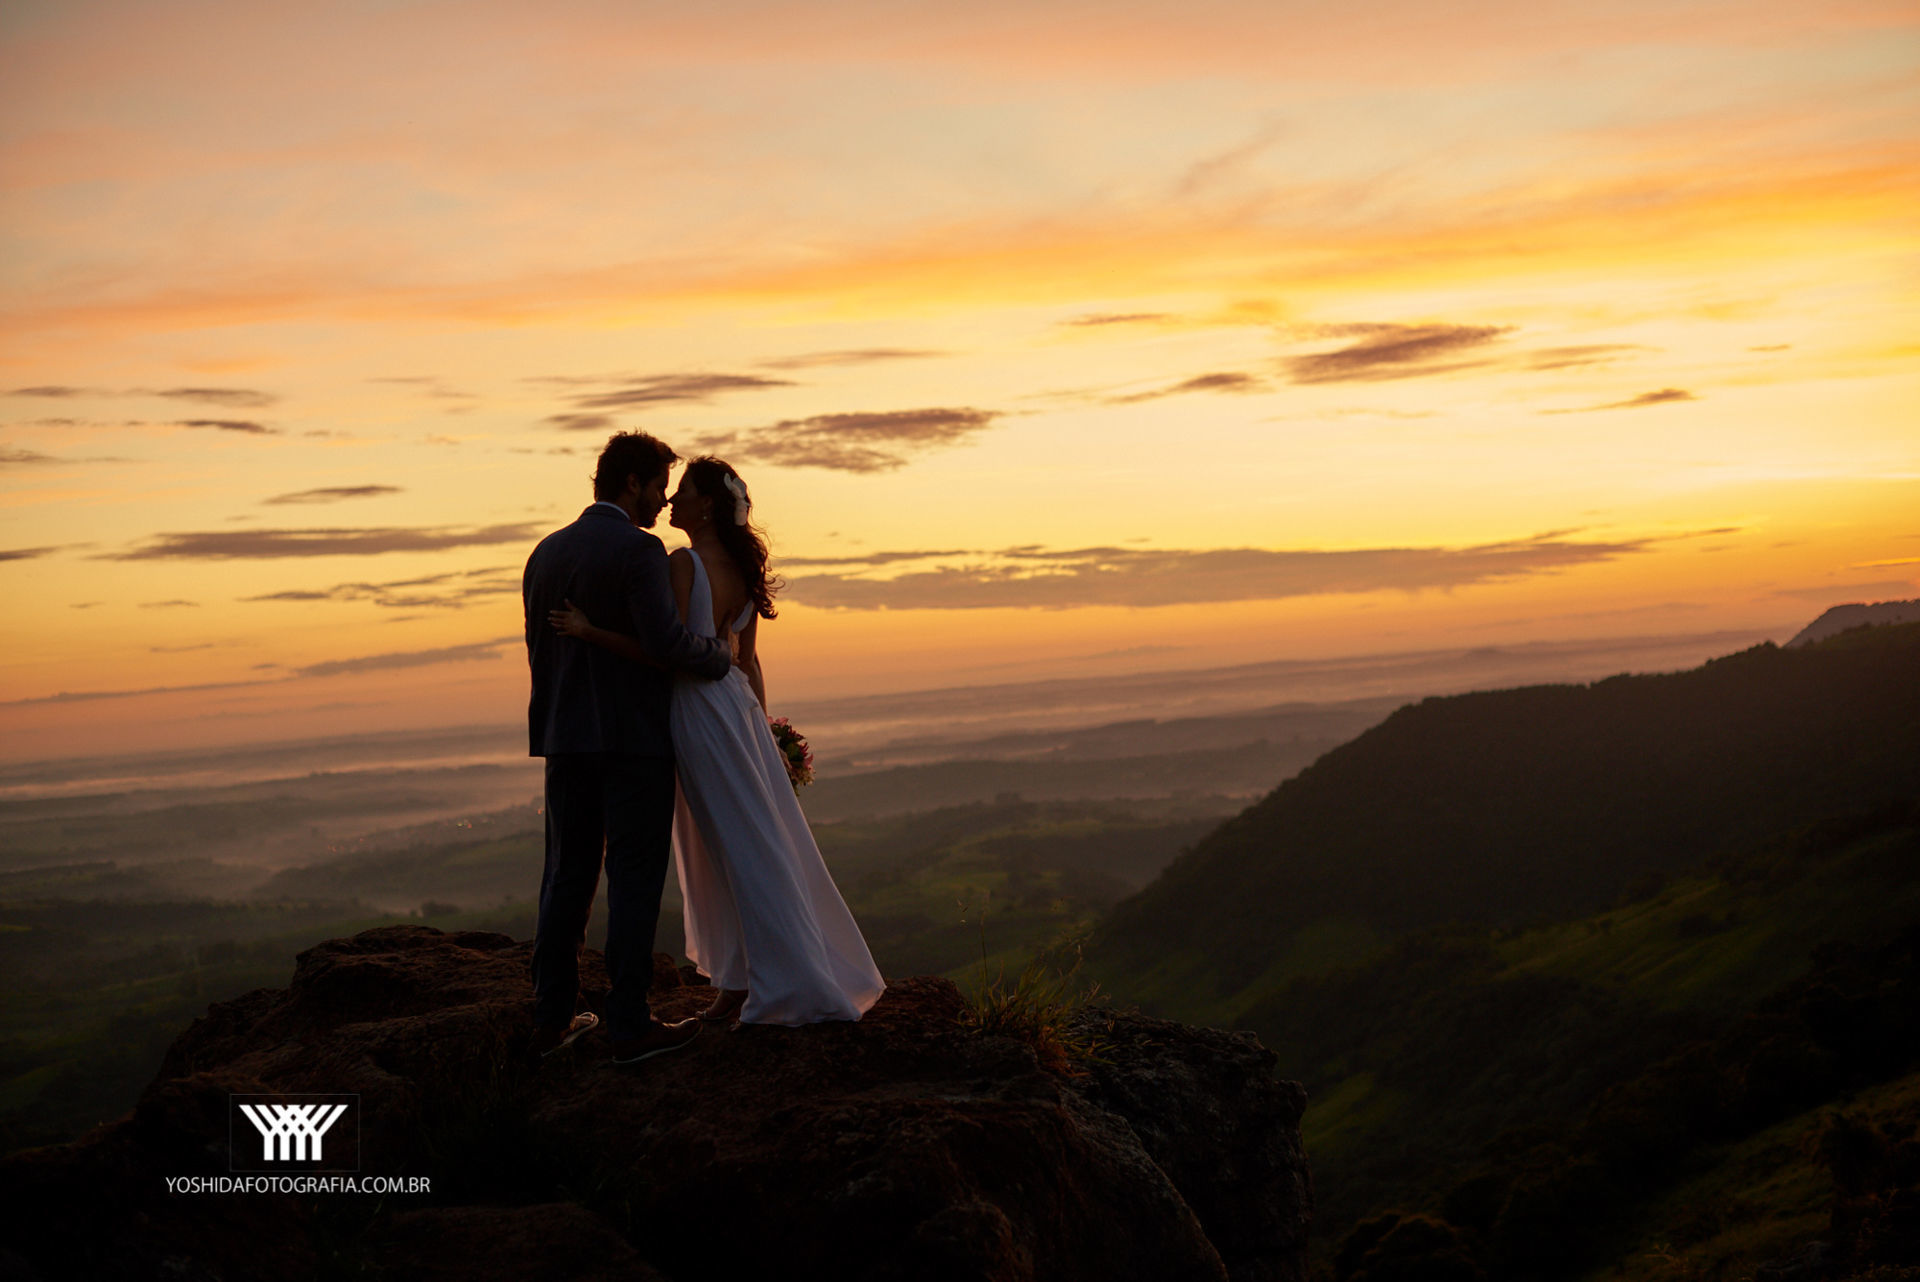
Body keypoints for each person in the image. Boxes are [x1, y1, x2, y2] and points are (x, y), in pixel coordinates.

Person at [550, 457, 886, 1028]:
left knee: (730, 847)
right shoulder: (744, 571)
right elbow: (748, 662)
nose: (672, 502)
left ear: (707, 505)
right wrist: (766, 727)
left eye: (682, 493)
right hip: (739, 712)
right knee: (748, 839)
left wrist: (590, 632)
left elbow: (668, 651)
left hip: (699, 712)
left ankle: (774, 979)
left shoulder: (683, 564)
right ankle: (739, 981)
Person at [522, 431, 734, 1067]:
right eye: (657, 488)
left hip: (565, 739)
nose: (661, 501)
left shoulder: (545, 553)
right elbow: (666, 642)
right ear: (632, 482)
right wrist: (717, 658)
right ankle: (629, 1023)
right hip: (633, 742)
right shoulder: (640, 551)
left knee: (566, 875)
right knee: (635, 878)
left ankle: (551, 1017)